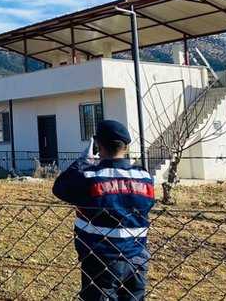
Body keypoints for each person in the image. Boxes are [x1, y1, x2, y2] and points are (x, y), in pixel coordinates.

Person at [53, 120, 154, 301]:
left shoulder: (90, 178)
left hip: (100, 259)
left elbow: (60, 188)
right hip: (137, 256)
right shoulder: (144, 176)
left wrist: (83, 161)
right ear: (127, 146)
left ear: (98, 146)